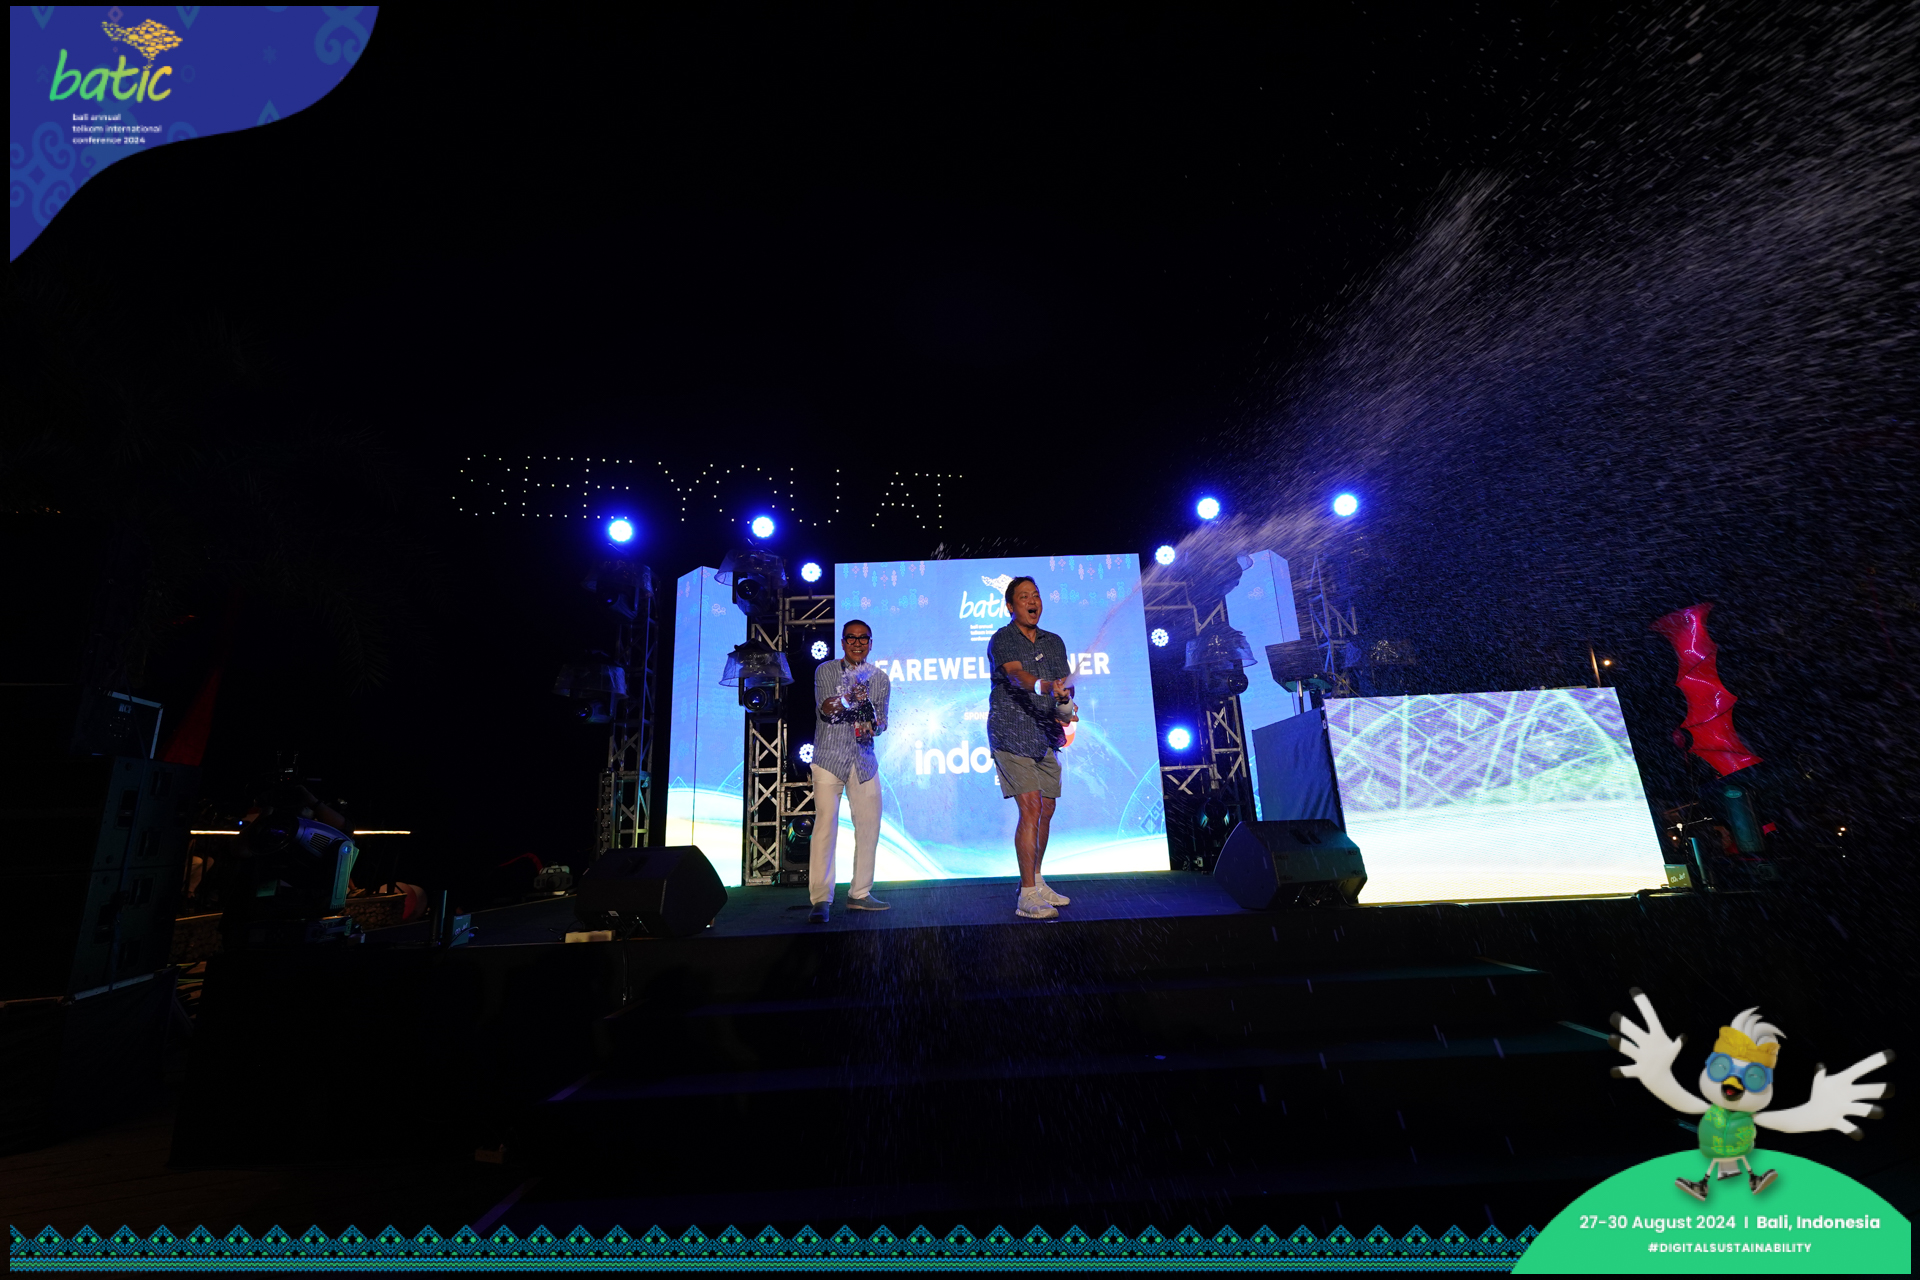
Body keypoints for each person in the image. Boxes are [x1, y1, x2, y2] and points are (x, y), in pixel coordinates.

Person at [987, 576, 1078, 920]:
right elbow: (1015, 676)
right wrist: (1045, 686)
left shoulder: (1054, 642)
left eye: (1036, 595)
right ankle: (1026, 895)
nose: (1032, 601)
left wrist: (1065, 703)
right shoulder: (1003, 638)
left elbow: (1064, 686)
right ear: (1010, 606)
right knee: (1031, 807)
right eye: (1024, 597)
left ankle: (1037, 881)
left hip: (1045, 735)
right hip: (1011, 732)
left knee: (1047, 808)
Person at [809, 618, 892, 923]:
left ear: (870, 643)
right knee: (825, 825)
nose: (857, 643)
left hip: (863, 760)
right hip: (829, 758)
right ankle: (821, 899)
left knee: (869, 827)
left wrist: (875, 726)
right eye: (851, 638)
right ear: (843, 642)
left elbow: (882, 722)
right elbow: (825, 708)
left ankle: (860, 893)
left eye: (863, 638)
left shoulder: (880, 679)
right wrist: (849, 698)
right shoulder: (826, 670)